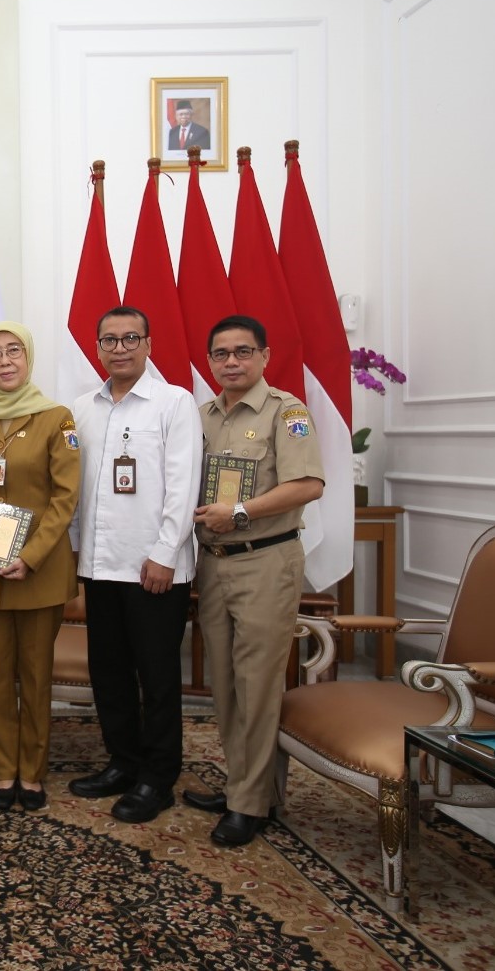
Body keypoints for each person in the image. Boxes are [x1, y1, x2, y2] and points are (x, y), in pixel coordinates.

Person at [186, 314, 324, 847]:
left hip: (265, 560)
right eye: (221, 354)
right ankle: (242, 786)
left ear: (264, 356)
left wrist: (240, 512)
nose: (231, 362)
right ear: (209, 361)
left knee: (258, 685)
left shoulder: (286, 413)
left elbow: (307, 485)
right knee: (224, 682)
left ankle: (251, 804)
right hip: (213, 562)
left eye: (243, 351)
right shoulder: (201, 417)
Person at [66, 307, 202, 823]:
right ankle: (122, 763)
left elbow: (183, 484)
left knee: (158, 677)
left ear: (148, 343)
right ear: (98, 347)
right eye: (109, 340)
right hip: (100, 565)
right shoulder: (83, 408)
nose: (119, 348)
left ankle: (158, 778)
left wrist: (166, 553)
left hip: (153, 568)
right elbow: (77, 489)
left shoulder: (174, 402)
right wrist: (75, 552)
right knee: (109, 673)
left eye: (130, 338)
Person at [0, 321, 80, 812]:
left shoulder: (56, 418)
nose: (4, 362)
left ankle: (32, 772)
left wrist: (30, 555)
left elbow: (65, 498)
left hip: (39, 571)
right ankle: (3, 771)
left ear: (29, 358)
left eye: (14, 351)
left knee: (37, 676)